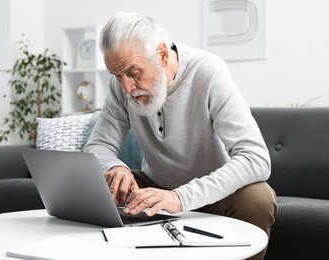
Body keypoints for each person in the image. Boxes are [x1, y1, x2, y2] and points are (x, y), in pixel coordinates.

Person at [84, 12, 277, 259]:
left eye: (133, 72)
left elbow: (256, 157)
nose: (126, 87)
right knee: (102, 184)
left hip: (213, 192)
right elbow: (98, 144)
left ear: (162, 55)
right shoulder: (122, 86)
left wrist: (181, 197)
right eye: (116, 76)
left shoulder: (208, 71)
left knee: (258, 199)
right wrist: (115, 167)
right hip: (154, 188)